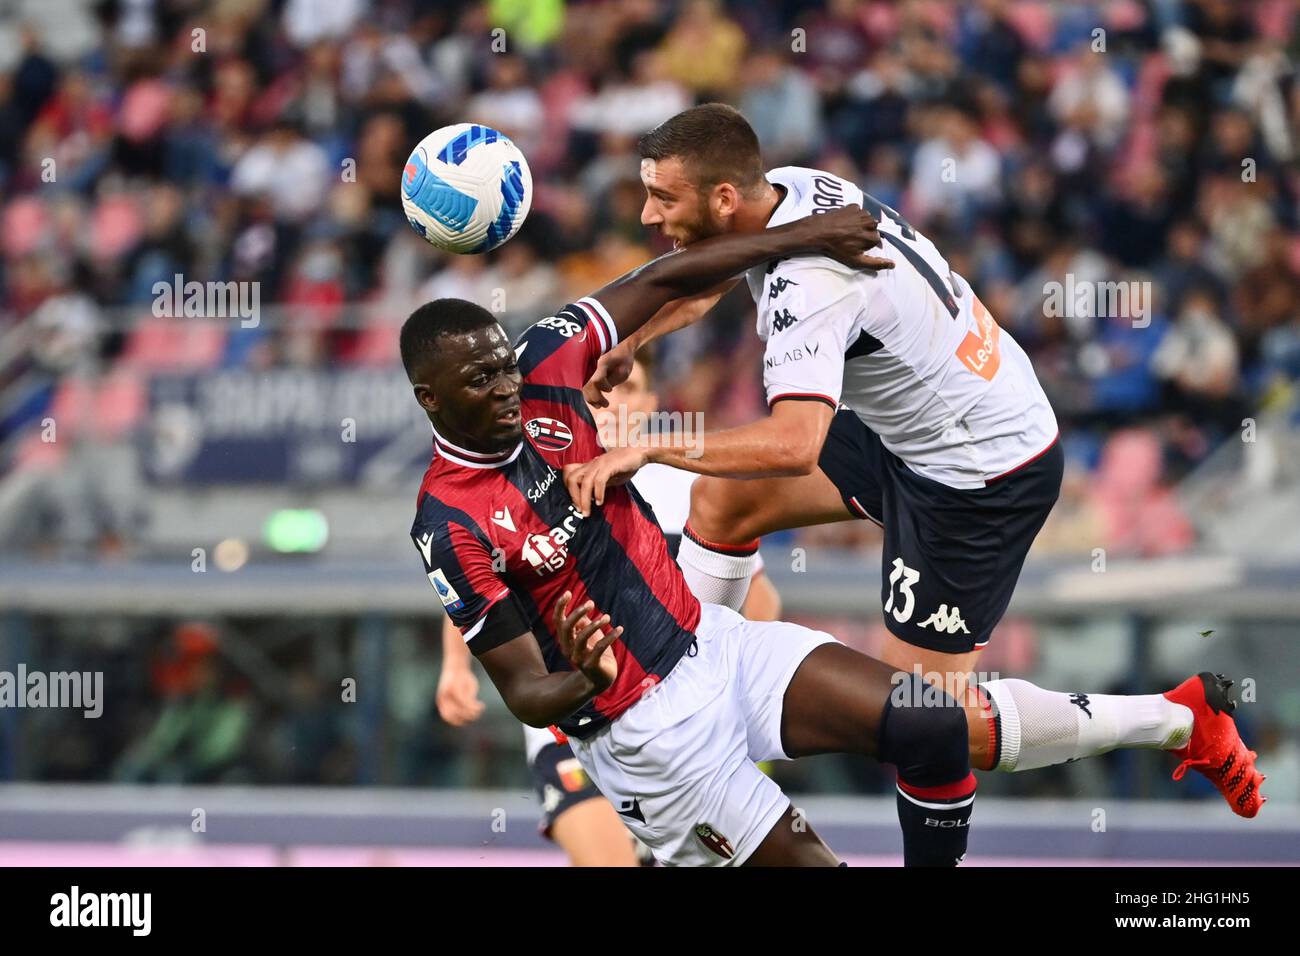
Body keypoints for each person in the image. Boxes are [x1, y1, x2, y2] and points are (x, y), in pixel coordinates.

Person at [568, 103, 1264, 818]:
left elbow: (793, 444)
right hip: (918, 421)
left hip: (977, 470)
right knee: (724, 503)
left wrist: (649, 444)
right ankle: (685, 719)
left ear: (722, 198)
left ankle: (1178, 720)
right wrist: (639, 336)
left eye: (663, 198)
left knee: (920, 720)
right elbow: (715, 268)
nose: (650, 215)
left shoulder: (807, 286)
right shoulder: (788, 189)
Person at [409, 207, 986, 866]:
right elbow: (523, 693)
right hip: (642, 734)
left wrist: (797, 238)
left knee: (932, 724)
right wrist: (584, 680)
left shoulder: (545, 359)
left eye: (502, 366)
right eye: (481, 380)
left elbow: (663, 279)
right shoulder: (447, 523)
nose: (507, 387)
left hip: (714, 644)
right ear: (431, 398)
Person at [433, 348, 779, 866]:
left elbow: (761, 596)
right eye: (604, 387)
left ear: (652, 402)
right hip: (567, 723)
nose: (615, 400)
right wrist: (456, 666)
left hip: (675, 712)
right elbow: (478, 585)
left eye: (631, 388)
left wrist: (730, 675)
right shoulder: (539, 468)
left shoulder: (687, 484)